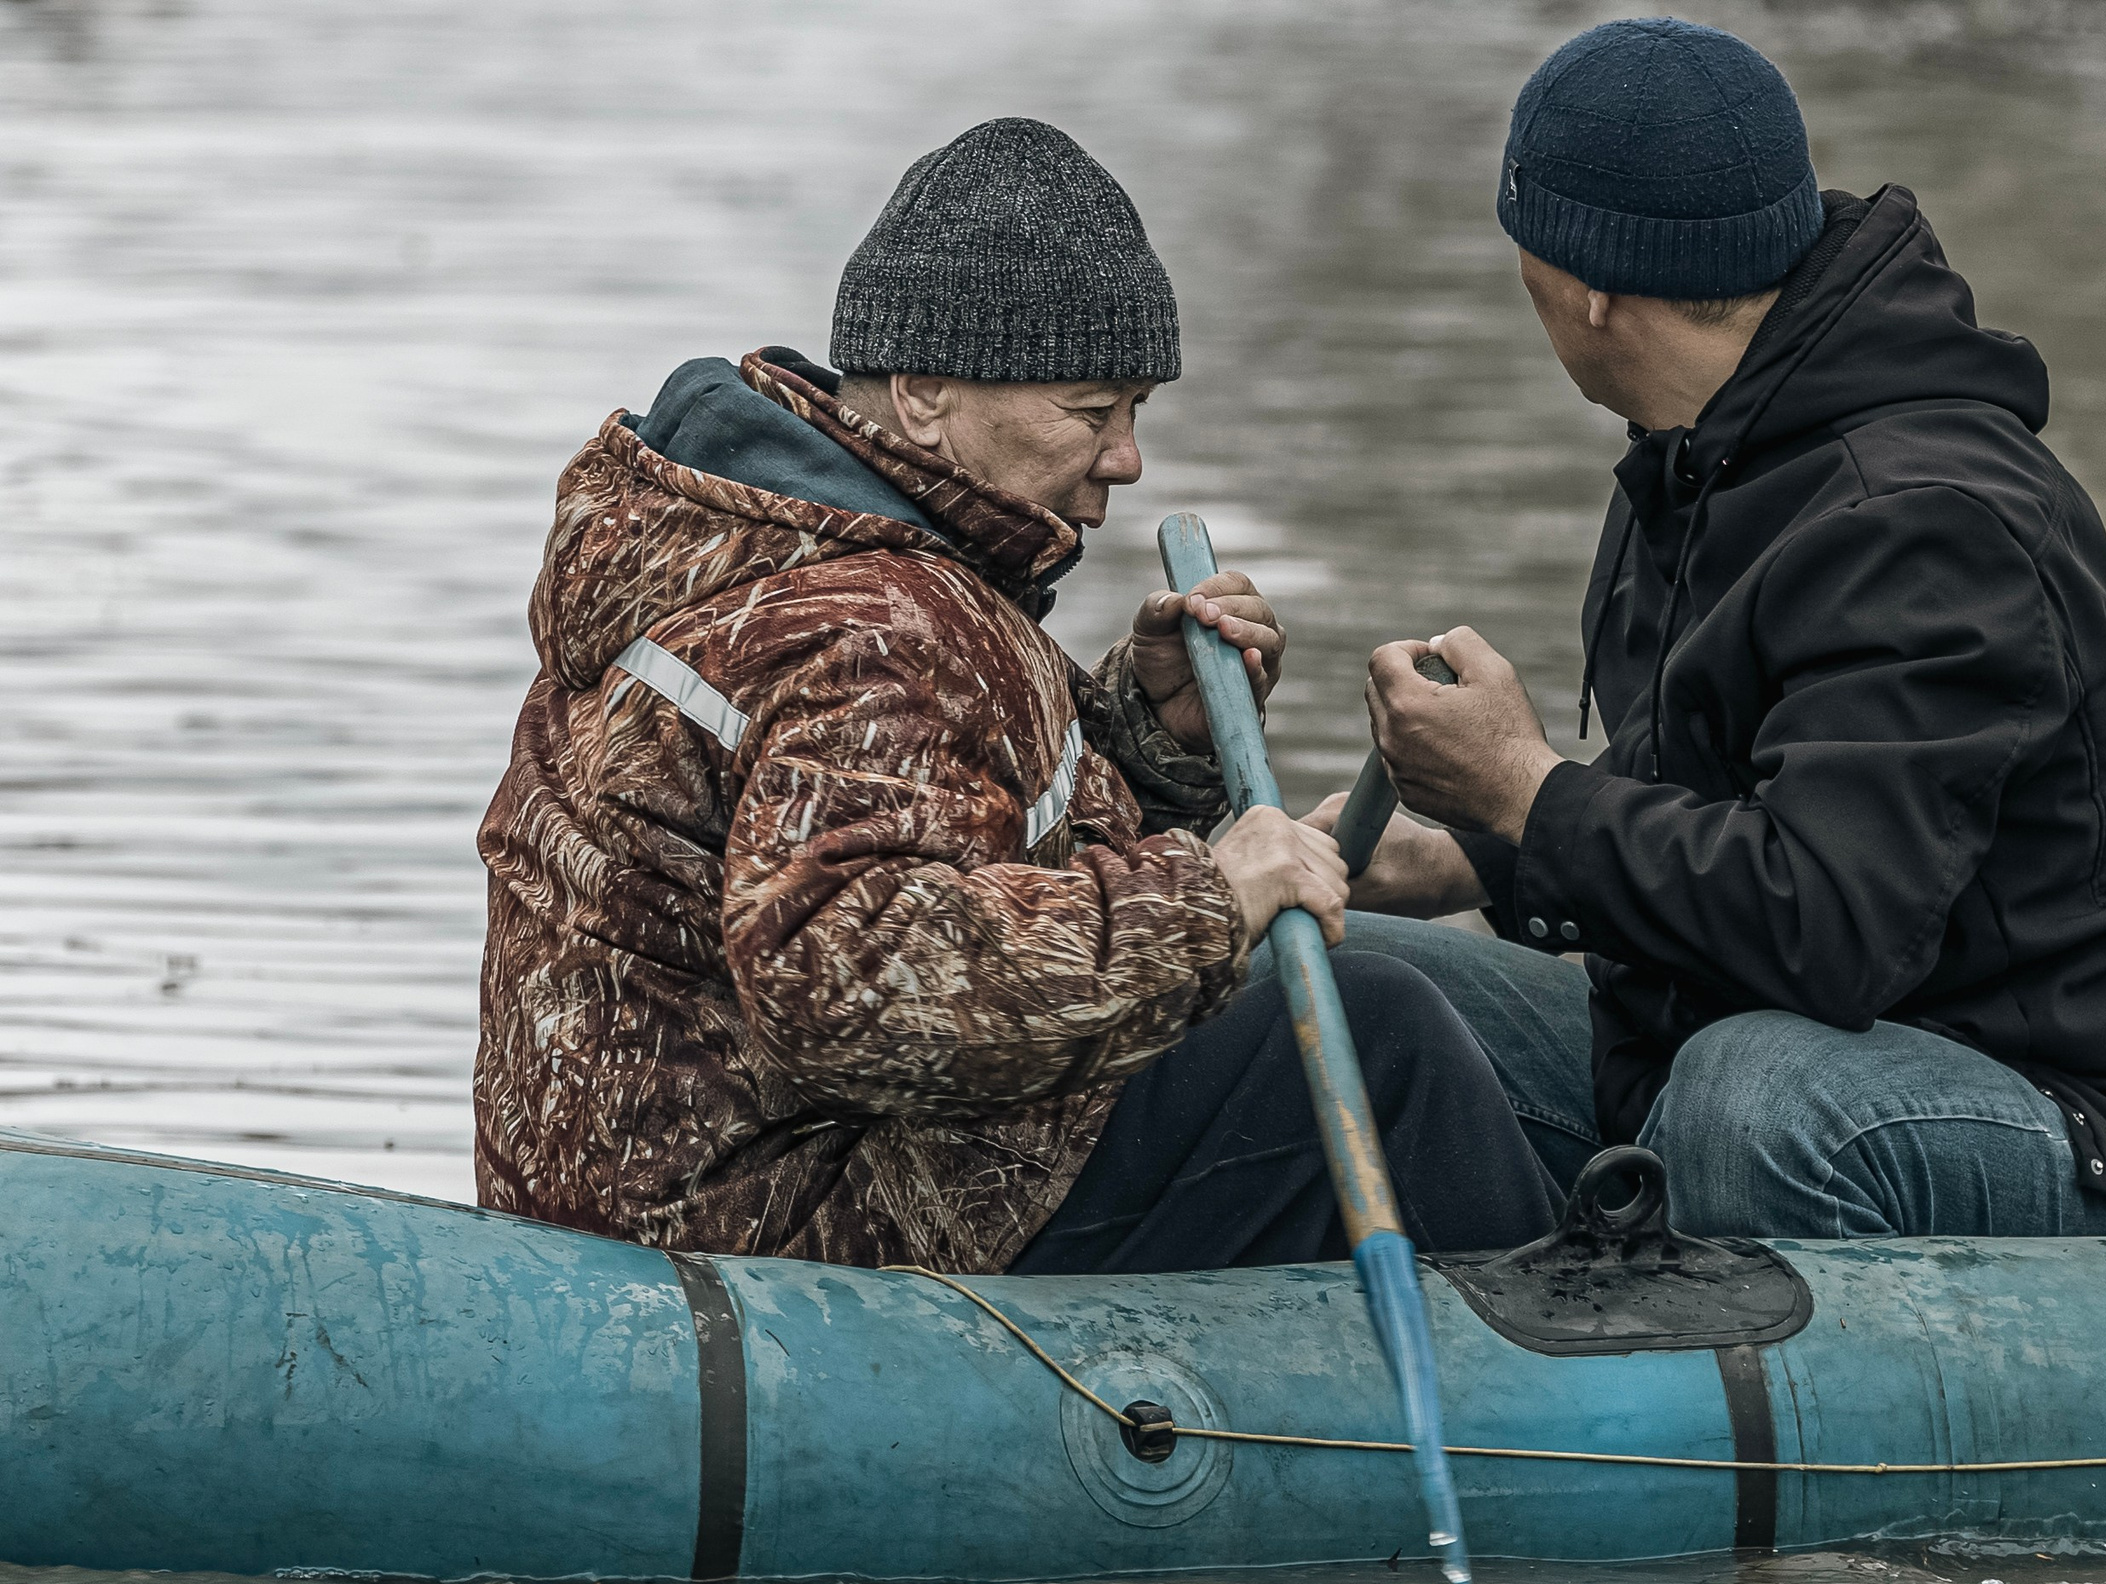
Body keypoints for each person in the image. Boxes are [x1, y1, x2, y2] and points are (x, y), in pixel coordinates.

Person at [474, 118, 1556, 1274]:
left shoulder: (759, 539)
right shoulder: (868, 622)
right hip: (774, 1225)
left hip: (655, 1180)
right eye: (1091, 412)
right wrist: (1207, 895)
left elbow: (942, 847)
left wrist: (1142, 741)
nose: (1127, 457)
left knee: (1328, 1004)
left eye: (1136, 411)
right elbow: (854, 988)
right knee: (1384, 1036)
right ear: (926, 394)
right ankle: (1573, 1349)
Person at [1315, 19, 2106, 1241]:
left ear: (1589, 290)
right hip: (1718, 1038)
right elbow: (1716, 789)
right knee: (1346, 976)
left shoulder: (1926, 522)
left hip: (2044, 1116)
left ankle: (1730, 1354)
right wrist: (1477, 858)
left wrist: (1528, 792)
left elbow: (1830, 924)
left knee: (1754, 1098)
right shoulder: (1703, 451)